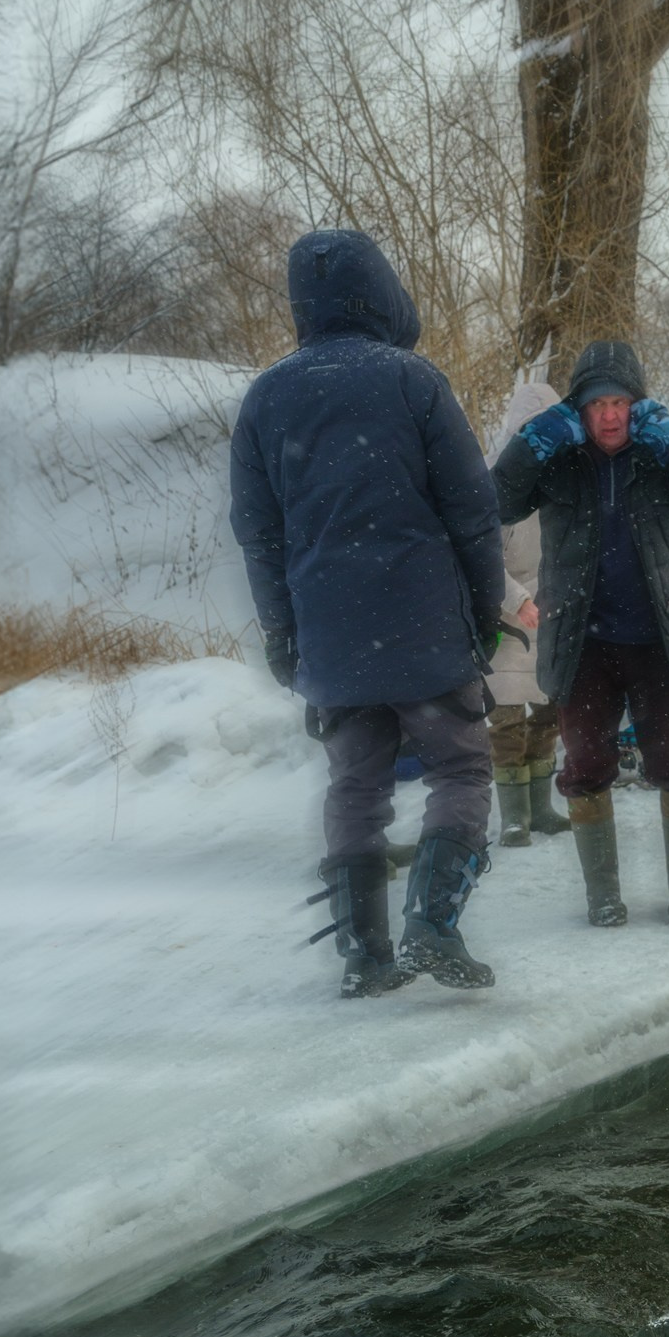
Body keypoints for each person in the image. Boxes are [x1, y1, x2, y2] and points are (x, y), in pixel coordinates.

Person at [230, 227, 504, 994]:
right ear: (382, 293)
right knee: (459, 764)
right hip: (422, 623)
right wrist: (483, 611)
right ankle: (433, 923)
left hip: (330, 633)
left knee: (355, 785)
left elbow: (257, 535)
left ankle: (364, 956)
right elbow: (473, 512)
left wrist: (283, 632)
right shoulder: (413, 381)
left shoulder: (267, 396)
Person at [492, 339, 669, 927]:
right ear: (577, 409)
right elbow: (493, 502)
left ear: (639, 406)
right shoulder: (557, 461)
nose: (609, 414)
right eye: (596, 402)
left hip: (659, 638)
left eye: (621, 401)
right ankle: (602, 895)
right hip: (584, 644)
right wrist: (532, 442)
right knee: (585, 768)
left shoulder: (660, 456)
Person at [483, 376, 570, 848]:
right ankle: (514, 818)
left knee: (549, 714)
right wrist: (517, 599)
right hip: (508, 624)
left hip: (556, 618)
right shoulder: (495, 483)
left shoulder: (566, 482)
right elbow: (480, 559)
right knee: (508, 719)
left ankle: (542, 809)